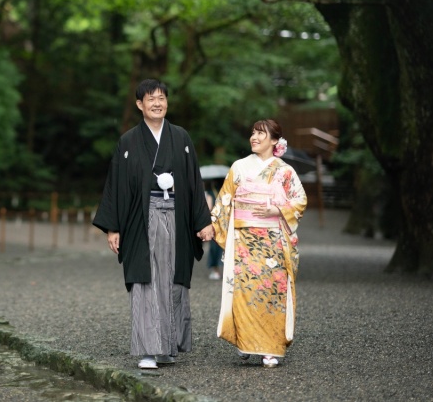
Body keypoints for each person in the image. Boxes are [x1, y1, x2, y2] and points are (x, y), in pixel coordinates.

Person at [93, 79, 211, 370]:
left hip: (177, 216)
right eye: (150, 99)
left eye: (161, 98)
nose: (157, 103)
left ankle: (168, 346)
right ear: (139, 105)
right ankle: (148, 349)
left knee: (172, 280)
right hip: (140, 219)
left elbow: (194, 182)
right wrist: (113, 226)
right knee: (146, 281)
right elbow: (117, 185)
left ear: (167, 102)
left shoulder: (181, 137)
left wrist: (203, 221)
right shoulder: (129, 141)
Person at [197, 119, 307, 368]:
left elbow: (300, 200)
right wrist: (211, 227)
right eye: (253, 133)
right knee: (244, 293)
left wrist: (277, 208)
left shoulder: (285, 171)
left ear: (275, 141)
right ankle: (246, 342)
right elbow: (224, 201)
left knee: (272, 293)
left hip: (273, 242)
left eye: (261, 133)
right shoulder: (238, 167)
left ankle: (271, 347)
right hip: (244, 240)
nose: (254, 137)